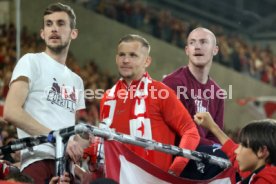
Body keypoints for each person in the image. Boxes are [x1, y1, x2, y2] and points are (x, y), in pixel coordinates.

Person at [3, 3, 86, 183]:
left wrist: (88, 144)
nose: (54, 28)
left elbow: (69, 129)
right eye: (49, 24)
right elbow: (11, 111)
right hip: (36, 160)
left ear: (74, 33)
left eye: (60, 23)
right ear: (42, 33)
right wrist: (56, 138)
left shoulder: (77, 81)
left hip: (67, 166)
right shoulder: (31, 61)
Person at [100, 34, 200, 176]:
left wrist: (177, 167)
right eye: (122, 55)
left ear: (147, 61)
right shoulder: (107, 98)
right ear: (116, 58)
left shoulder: (161, 92)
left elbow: (190, 130)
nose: (126, 60)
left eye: (133, 55)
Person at [162, 27, 223, 146]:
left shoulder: (218, 93)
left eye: (203, 42)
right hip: (175, 156)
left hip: (200, 158)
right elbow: (176, 132)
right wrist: (212, 147)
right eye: (192, 42)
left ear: (215, 50)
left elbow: (215, 136)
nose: (197, 47)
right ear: (187, 50)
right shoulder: (173, 83)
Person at [194, 112, 276, 183]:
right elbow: (232, 151)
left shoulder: (265, 180)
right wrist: (212, 126)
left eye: (243, 145)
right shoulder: (259, 171)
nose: (237, 150)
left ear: (262, 151)